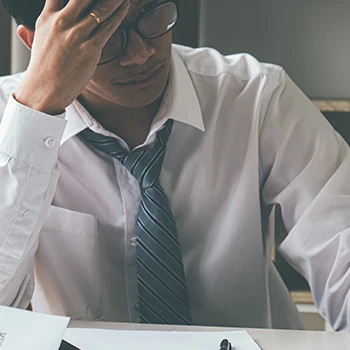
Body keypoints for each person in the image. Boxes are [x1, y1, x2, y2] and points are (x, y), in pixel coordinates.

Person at [0, 0, 350, 331]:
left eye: (151, 13)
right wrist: (34, 118)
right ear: (36, 42)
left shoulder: (255, 97)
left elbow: (342, 248)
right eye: (105, 35)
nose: (141, 54)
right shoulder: (9, 124)